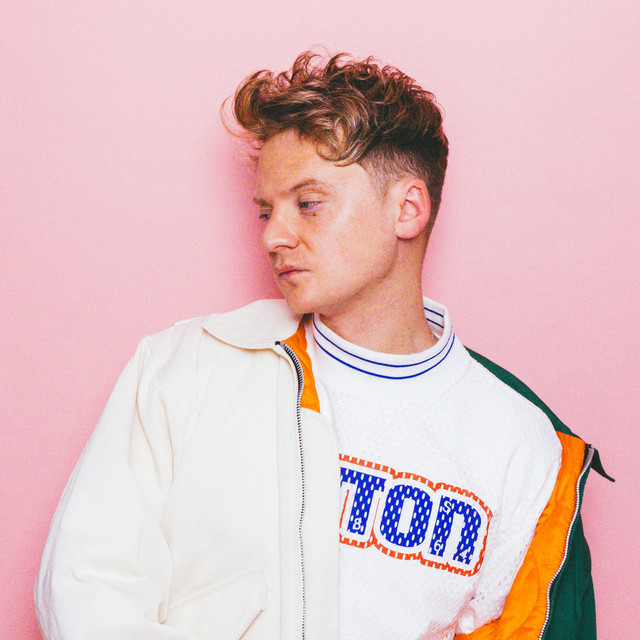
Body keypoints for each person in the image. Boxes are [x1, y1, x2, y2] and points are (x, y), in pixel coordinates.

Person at [35, 51, 608, 640]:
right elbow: (87, 592)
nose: (274, 236)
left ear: (407, 209)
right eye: (266, 211)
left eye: (308, 204)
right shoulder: (187, 368)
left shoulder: (521, 443)